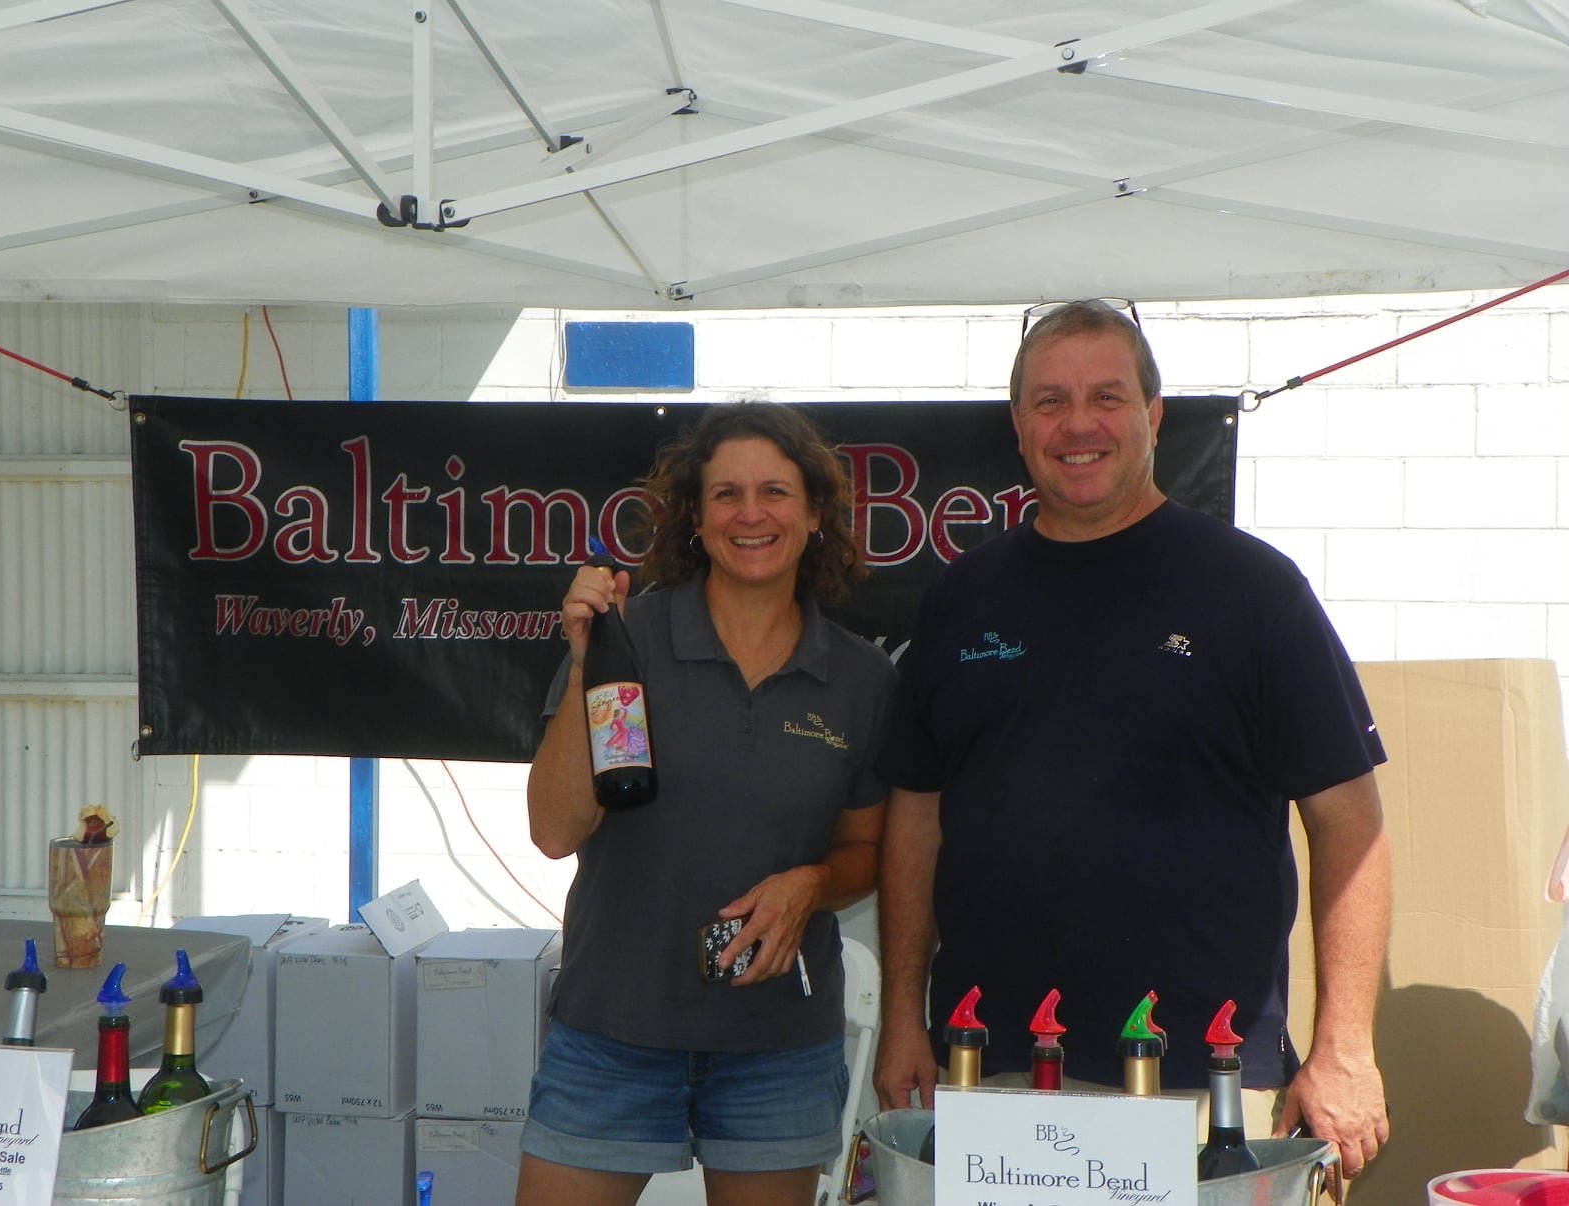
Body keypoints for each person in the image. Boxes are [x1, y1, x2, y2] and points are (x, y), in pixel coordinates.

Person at [872, 300, 1392, 1187]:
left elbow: (1351, 824)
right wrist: (902, 1019)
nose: (1078, 424)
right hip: (992, 1068)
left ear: (1153, 416)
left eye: (1107, 397)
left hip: (1200, 1078)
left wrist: (1345, 1049)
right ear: (1018, 425)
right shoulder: (963, 597)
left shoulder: (1252, 591)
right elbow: (915, 817)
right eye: (1050, 401)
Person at [519, 402, 895, 1206]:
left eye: (775, 492)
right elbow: (554, 832)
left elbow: (867, 853)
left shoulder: (862, 679)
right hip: (613, 1032)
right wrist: (587, 661)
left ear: (815, 514)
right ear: (693, 518)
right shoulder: (631, 640)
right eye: (726, 494)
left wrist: (809, 886)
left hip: (777, 1049)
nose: (750, 514)